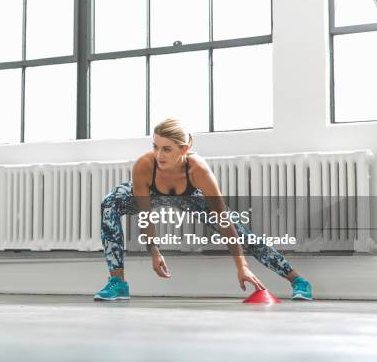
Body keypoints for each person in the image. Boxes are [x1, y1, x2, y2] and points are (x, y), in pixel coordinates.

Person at [94, 118, 313, 301]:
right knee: (109, 203)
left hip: (189, 197)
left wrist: (242, 266)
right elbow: (145, 215)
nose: (159, 154)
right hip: (150, 195)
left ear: (184, 149)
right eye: (155, 147)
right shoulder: (145, 165)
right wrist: (154, 251)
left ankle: (298, 281)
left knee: (242, 232)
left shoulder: (199, 171)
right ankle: (118, 282)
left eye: (167, 149)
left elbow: (224, 221)